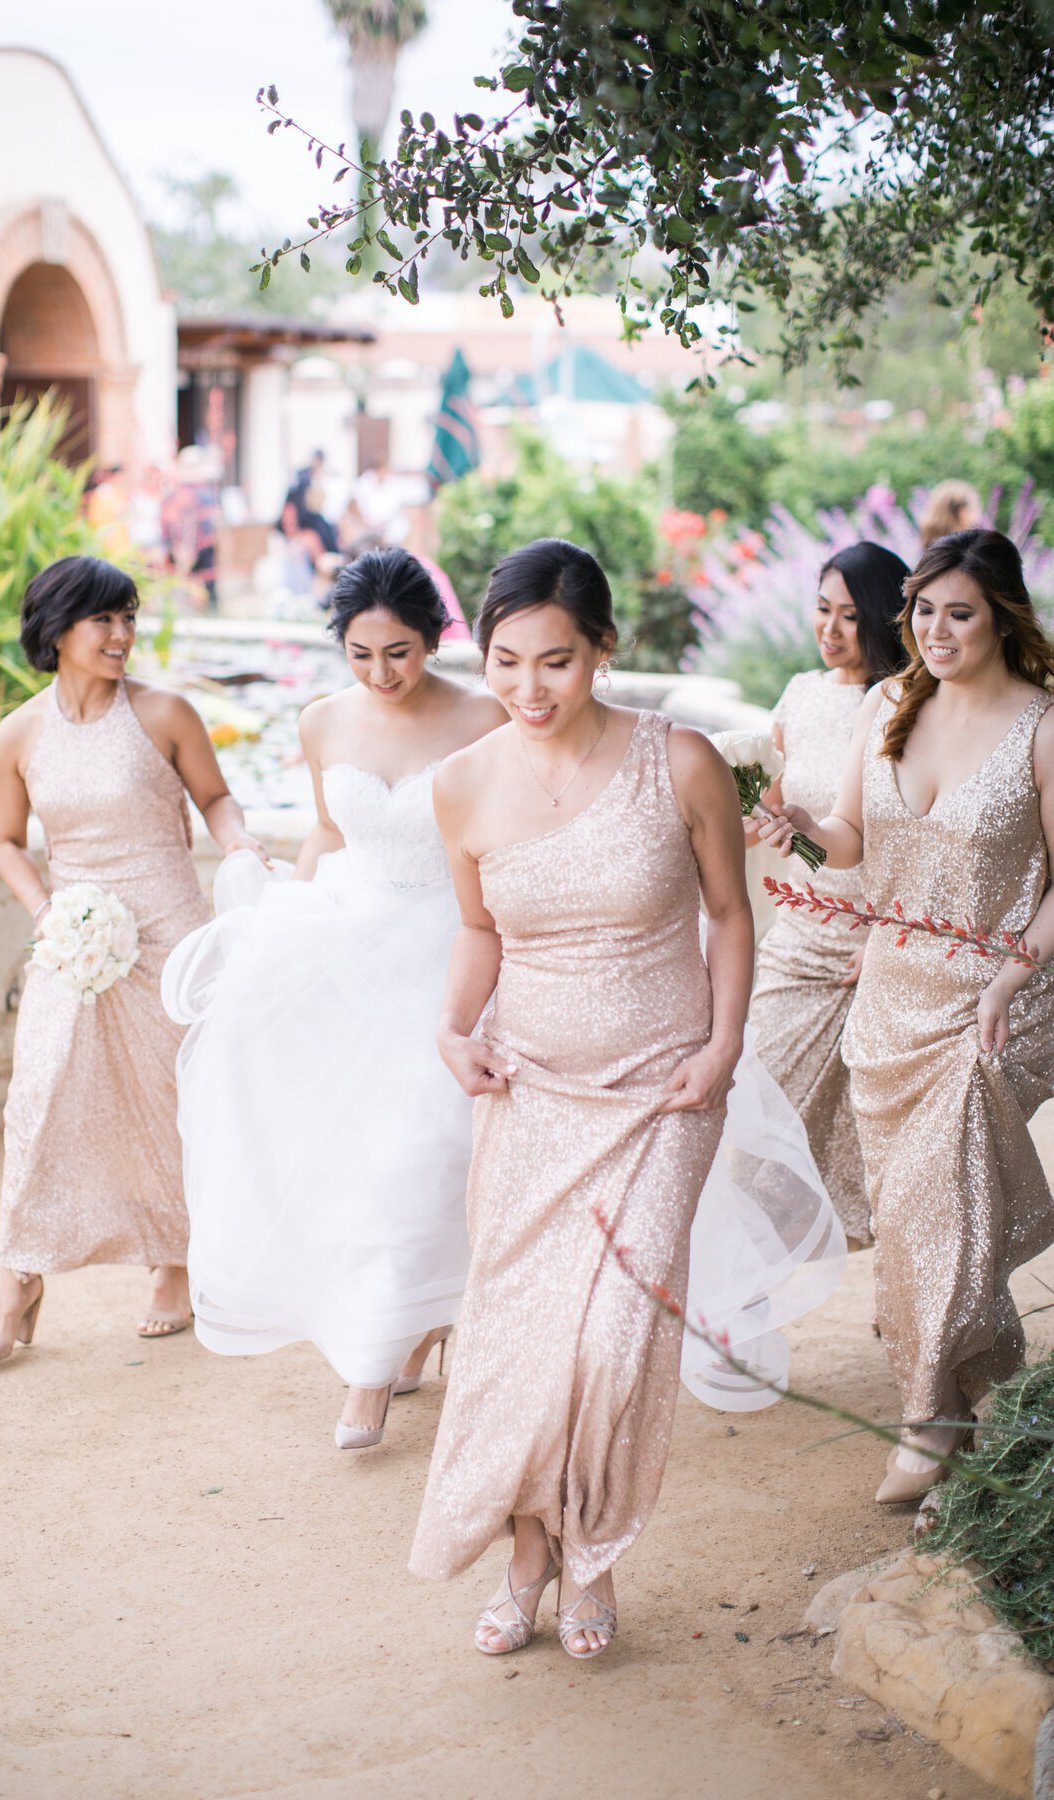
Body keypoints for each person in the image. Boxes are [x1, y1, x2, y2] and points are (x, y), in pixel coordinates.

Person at [411, 537, 759, 1659]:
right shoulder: (461, 783)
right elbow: (479, 930)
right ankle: (531, 1556)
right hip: (531, 1092)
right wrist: (452, 1030)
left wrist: (724, 1046)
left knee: (610, 1342)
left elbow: (729, 915)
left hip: (663, 1091)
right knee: (521, 1344)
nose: (529, 688)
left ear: (603, 648)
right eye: (505, 661)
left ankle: (594, 1550)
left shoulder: (682, 762)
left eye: (555, 661)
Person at [161, 548, 506, 1447]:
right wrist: (286, 922)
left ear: (433, 639)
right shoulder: (321, 720)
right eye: (360, 654)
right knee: (357, 1155)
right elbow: (325, 830)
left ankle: (381, 1360)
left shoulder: (484, 716)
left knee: (426, 1151)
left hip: (450, 941)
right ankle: (390, 1341)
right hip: (352, 934)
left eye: (399, 652)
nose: (381, 673)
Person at [759, 528, 1054, 1504]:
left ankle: (927, 1426)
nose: (936, 631)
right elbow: (847, 843)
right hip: (891, 1000)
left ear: (1002, 618)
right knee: (916, 1219)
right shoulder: (889, 703)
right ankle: (973, 1403)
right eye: (924, 611)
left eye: (959, 613)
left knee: (942, 1198)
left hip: (994, 1002)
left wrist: (1008, 978)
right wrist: (799, 832)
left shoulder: (1043, 727)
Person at [0, 556, 267, 1361]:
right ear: (56, 628)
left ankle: (174, 1260)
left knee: (174, 1098)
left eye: (128, 617)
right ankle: (20, 1276)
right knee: (39, 1099)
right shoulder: (19, 734)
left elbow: (215, 798)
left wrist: (239, 840)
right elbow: (5, 841)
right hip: (74, 942)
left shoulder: (166, 712)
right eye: (103, 618)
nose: (122, 633)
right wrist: (47, 914)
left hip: (170, 931)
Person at [747, 542, 910, 1247]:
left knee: (877, 1141)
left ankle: (891, 1275)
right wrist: (749, 810)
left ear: (883, 617)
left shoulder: (908, 706)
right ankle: (751, 1270)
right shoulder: (800, 693)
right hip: (800, 935)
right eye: (822, 609)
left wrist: (889, 937)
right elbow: (773, 812)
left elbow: (918, 837)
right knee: (758, 1101)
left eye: (850, 614)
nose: (831, 629)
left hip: (884, 943)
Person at [163, 445, 221, 611]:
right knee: (187, 589)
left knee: (204, 588)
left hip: (203, 547)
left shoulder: (204, 492)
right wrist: (183, 548)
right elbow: (179, 525)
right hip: (190, 549)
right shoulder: (183, 495)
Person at [919, 479, 981, 550]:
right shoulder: (965, 550)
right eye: (976, 505)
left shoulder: (934, 548)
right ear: (962, 512)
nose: (979, 509)